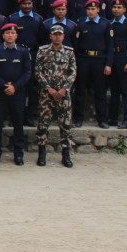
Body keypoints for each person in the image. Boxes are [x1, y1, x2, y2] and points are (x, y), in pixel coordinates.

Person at [0, 23, 32, 165]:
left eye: (13, 33)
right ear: (3, 35)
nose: (10, 35)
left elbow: (27, 72)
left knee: (18, 124)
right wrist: (4, 86)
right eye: (7, 33)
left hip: (17, 92)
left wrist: (15, 87)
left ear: (16, 35)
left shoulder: (23, 51)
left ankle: (18, 154)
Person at [35, 24, 76, 168]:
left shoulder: (69, 52)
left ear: (63, 36)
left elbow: (73, 72)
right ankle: (42, 153)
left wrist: (64, 89)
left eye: (60, 34)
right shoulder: (43, 51)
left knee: (65, 125)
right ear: (50, 36)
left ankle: (66, 154)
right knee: (43, 124)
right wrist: (49, 88)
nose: (57, 37)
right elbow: (38, 72)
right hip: (47, 94)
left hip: (64, 95)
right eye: (55, 34)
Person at [72, 0, 114, 128]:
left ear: (98, 10)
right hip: (83, 59)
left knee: (100, 91)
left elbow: (110, 46)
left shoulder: (105, 24)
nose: (90, 12)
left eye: (93, 9)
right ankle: (78, 119)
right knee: (80, 91)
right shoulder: (81, 23)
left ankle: (102, 120)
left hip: (99, 59)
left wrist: (108, 64)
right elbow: (76, 44)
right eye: (88, 9)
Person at [107, 0, 127, 129]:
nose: (116, 9)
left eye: (119, 7)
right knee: (114, 90)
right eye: (114, 7)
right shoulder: (110, 23)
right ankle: (112, 118)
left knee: (126, 90)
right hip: (113, 58)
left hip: (124, 57)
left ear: (124, 9)